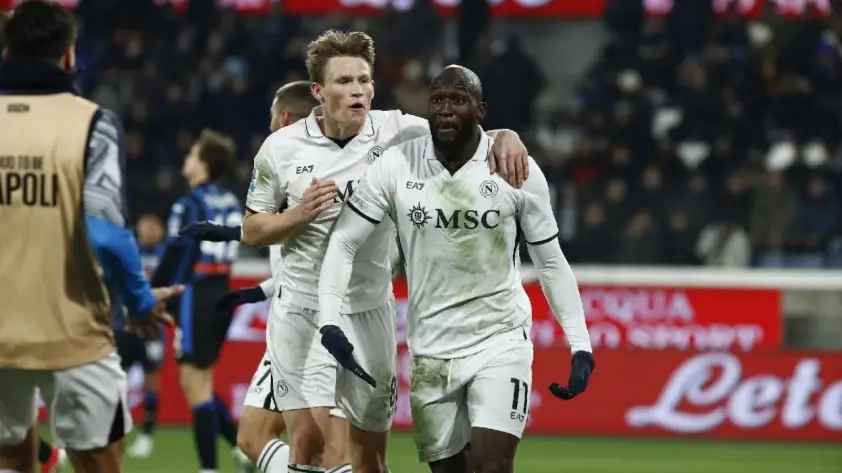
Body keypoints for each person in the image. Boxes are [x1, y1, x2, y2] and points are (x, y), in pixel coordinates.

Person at [242, 30, 530, 473]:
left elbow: (463, 135)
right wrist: (297, 215)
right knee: (309, 446)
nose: (357, 90)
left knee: (370, 457)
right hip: (302, 310)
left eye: (364, 80)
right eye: (344, 81)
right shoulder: (280, 149)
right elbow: (252, 228)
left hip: (370, 309)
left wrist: (506, 134)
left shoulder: (398, 132)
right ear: (318, 91)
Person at [316, 65, 595, 473]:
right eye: (438, 100)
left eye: (458, 100)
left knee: (492, 464)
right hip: (431, 349)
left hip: (500, 338)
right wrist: (328, 320)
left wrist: (580, 343)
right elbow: (344, 241)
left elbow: (550, 261)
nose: (445, 109)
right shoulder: (397, 164)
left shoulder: (516, 168)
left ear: (480, 111)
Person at [0, 2, 181, 472]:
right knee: (100, 462)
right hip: (73, 331)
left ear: (7, 52)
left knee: (12, 459)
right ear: (68, 55)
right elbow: (107, 235)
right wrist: (139, 303)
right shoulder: (92, 124)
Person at [181, 81, 352, 473]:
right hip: (307, 315)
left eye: (272, 117)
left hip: (313, 323)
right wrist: (254, 292)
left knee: (315, 448)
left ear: (285, 118)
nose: (269, 125)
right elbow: (297, 261)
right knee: (266, 439)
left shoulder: (306, 176)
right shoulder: (300, 172)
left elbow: (318, 257)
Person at [150, 130, 245, 473]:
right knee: (199, 381)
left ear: (203, 164)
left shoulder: (188, 204)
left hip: (196, 294)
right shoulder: (231, 200)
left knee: (196, 385)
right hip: (223, 291)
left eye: (192, 154)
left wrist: (155, 294)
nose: (186, 158)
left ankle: (210, 467)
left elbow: (177, 254)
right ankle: (242, 449)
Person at [120, 215, 167, 459]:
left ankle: (147, 433)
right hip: (126, 326)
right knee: (118, 377)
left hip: (152, 328)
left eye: (154, 227)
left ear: (162, 230)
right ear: (137, 228)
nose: (149, 231)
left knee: (151, 378)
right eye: (145, 226)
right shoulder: (127, 251)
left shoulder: (167, 255)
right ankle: (117, 427)